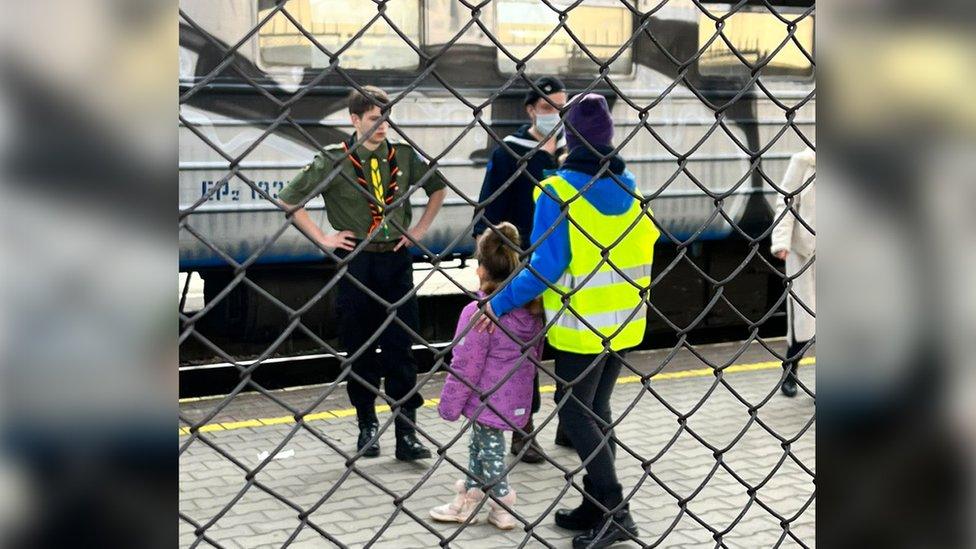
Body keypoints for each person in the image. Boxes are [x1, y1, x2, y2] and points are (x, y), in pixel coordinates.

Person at [477, 93, 659, 549]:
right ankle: (594, 507)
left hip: (582, 326)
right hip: (625, 321)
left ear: (568, 138)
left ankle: (616, 512)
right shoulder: (631, 187)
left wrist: (496, 304)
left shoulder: (557, 191)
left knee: (577, 412)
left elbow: (546, 265)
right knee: (596, 410)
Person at [277, 85, 447, 461]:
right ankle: (367, 426)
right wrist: (323, 237)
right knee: (360, 347)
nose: (383, 126)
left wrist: (418, 231)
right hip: (357, 263)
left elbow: (438, 187)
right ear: (354, 120)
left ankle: (406, 431)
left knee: (402, 347)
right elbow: (289, 200)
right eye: (374, 119)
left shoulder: (402, 155)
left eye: (387, 118)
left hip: (396, 262)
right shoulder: (333, 160)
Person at [473, 75, 570, 463]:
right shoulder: (509, 152)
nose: (555, 116)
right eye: (548, 108)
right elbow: (488, 210)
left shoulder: (573, 152)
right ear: (531, 109)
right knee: (521, 353)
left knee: (567, 346)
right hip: (523, 268)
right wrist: (492, 264)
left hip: (565, 267)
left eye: (562, 109)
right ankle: (522, 428)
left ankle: (572, 422)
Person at [429, 222, 544, 530]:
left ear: (481, 270)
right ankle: (468, 498)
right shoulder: (531, 310)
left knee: (490, 451)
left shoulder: (476, 312)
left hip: (484, 397)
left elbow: (465, 364)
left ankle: (503, 504)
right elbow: (536, 355)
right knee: (478, 447)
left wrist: (449, 406)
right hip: (515, 396)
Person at [770, 147, 816, 397]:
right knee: (803, 318)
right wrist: (781, 242)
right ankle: (790, 370)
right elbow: (786, 202)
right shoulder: (803, 162)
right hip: (804, 253)